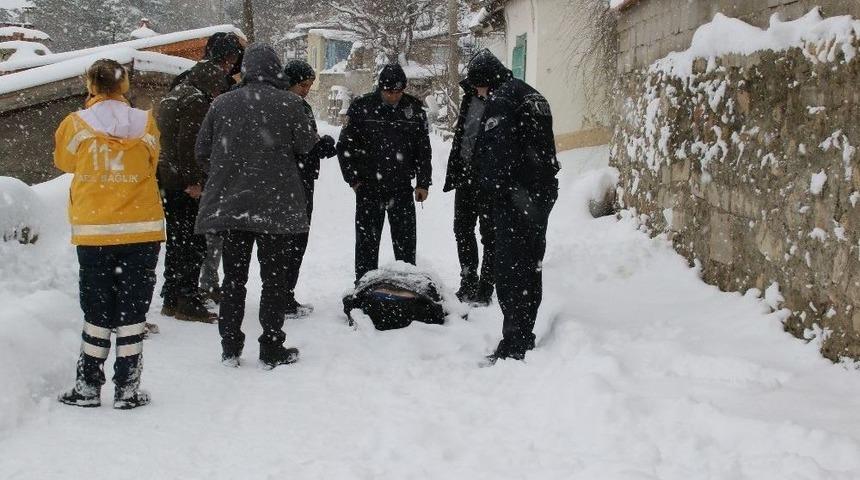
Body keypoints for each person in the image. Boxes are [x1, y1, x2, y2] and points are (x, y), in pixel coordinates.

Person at [195, 43, 318, 369]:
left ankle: (230, 347)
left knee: (234, 280)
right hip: (275, 208)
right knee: (273, 280)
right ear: (276, 69)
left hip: (235, 208)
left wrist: (229, 173)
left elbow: (202, 151)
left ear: (245, 68)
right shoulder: (291, 104)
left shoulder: (221, 104)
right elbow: (307, 145)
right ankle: (271, 345)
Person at [55, 59, 164, 409]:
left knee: (97, 310)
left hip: (95, 231)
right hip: (141, 230)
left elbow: (65, 163)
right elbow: (152, 162)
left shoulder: (75, 124)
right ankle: (127, 389)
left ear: (90, 86)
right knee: (133, 311)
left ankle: (88, 385)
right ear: (125, 86)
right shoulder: (146, 122)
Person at [467, 50, 560, 365]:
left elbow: (499, 156)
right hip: (541, 190)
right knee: (530, 266)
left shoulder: (502, 101)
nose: (476, 94)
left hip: (517, 195)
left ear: (484, 82)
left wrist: (491, 190)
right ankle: (525, 334)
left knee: (510, 270)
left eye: (476, 88)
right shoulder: (533, 95)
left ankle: (514, 344)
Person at [157, 33, 243, 322]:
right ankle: (185, 298)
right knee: (191, 242)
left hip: (169, 177)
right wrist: (194, 181)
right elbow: (191, 141)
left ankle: (173, 294)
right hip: (186, 182)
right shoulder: (200, 95)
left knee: (179, 240)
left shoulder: (183, 83)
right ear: (228, 60)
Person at [337, 63, 432, 284]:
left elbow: (423, 150)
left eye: (398, 92)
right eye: (389, 92)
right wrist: (353, 180)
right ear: (380, 88)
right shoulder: (362, 108)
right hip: (369, 187)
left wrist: (423, 182)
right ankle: (364, 285)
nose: (393, 96)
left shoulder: (414, 110)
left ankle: (408, 285)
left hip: (401, 187)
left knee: (405, 243)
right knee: (367, 243)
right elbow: (345, 147)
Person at [281, 59, 338, 317]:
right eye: (302, 85)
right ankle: (282, 295)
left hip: (300, 179)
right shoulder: (287, 106)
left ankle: (284, 293)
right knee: (292, 241)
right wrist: (318, 146)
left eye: (309, 85)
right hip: (293, 181)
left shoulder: (299, 105)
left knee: (295, 241)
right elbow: (299, 143)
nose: (306, 90)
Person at [443, 77, 495, 306]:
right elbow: (463, 135)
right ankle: (468, 281)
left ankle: (486, 287)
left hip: (488, 179)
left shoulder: (501, 102)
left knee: (489, 234)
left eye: (479, 83)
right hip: (465, 175)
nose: (476, 88)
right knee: (462, 229)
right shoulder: (469, 99)